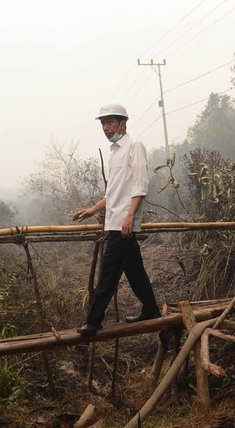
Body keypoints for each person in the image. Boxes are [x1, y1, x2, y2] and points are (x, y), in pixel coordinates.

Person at [71, 103, 161, 336]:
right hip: (115, 222)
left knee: (108, 274)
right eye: (103, 124)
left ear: (123, 123)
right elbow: (113, 193)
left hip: (123, 223)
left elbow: (140, 186)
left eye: (110, 122)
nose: (106, 128)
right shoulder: (114, 153)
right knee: (134, 270)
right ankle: (151, 309)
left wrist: (130, 217)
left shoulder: (134, 147)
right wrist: (91, 210)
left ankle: (93, 321)